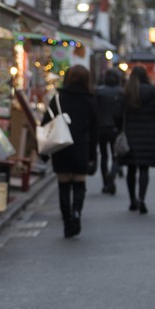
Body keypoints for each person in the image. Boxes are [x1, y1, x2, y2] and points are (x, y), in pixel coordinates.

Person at [40, 65, 98, 238]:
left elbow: (45, 125)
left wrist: (44, 152)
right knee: (79, 184)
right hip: (81, 147)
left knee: (63, 184)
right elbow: (95, 131)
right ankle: (77, 214)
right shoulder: (90, 101)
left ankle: (67, 221)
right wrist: (92, 155)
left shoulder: (58, 99)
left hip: (61, 147)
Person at [119, 65, 155, 214]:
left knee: (131, 169)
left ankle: (132, 200)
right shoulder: (152, 91)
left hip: (131, 133)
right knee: (144, 169)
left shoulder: (126, 92)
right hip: (149, 133)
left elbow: (119, 115)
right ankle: (142, 198)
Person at [95, 68, 123, 195]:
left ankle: (105, 183)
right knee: (116, 154)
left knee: (104, 155)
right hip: (115, 127)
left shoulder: (99, 92)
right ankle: (112, 175)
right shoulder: (121, 92)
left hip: (100, 127)